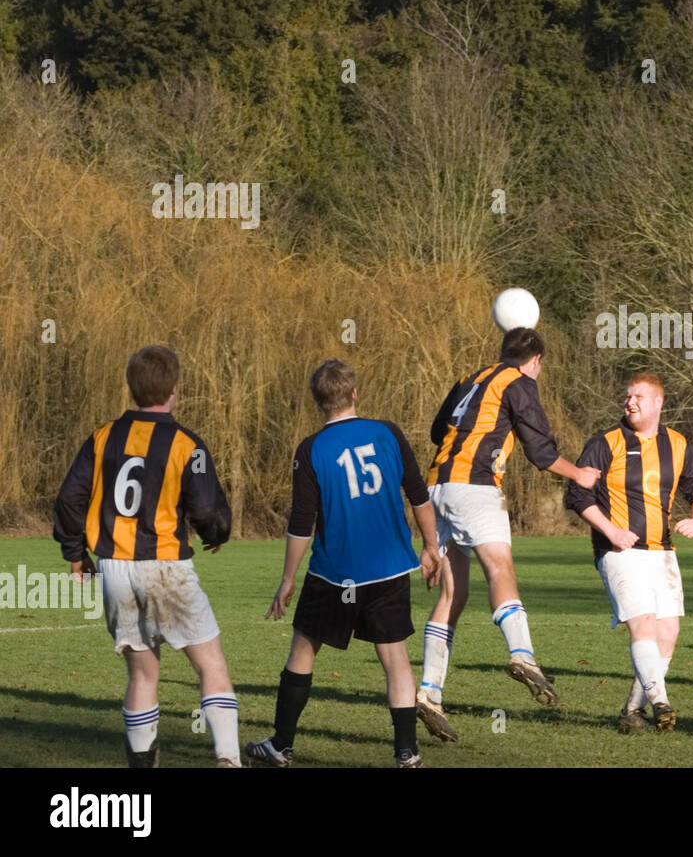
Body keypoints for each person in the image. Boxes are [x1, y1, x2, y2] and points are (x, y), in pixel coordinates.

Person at [246, 359, 440, 768]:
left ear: (318, 401)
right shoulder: (388, 432)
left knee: (303, 649)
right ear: (354, 394)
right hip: (389, 568)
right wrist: (431, 547)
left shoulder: (312, 448)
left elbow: (302, 523)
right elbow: (419, 495)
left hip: (335, 573)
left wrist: (287, 579)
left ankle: (282, 745)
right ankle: (407, 752)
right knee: (395, 657)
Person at [53, 345, 240, 767]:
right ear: (175, 390)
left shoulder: (103, 437)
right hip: (166, 566)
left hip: (115, 566)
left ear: (131, 388)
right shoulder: (184, 442)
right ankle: (228, 759)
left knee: (141, 673)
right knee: (210, 665)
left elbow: (69, 499)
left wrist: (74, 552)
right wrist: (216, 533)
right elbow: (208, 509)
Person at [415, 327, 602, 742]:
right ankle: (523, 655)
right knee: (500, 569)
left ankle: (429, 692)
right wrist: (580, 474)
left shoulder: (470, 379)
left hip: (434, 489)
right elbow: (541, 451)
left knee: (452, 595)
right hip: (474, 487)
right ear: (535, 360)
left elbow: (436, 432)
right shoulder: (518, 381)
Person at [564, 373, 693, 732]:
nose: (630, 402)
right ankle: (661, 702)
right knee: (643, 624)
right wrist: (612, 531)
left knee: (668, 633)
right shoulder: (605, 442)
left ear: (658, 403)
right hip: (618, 552)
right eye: (627, 396)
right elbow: (577, 495)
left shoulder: (677, 444)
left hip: (661, 551)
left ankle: (633, 710)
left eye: (638, 397)